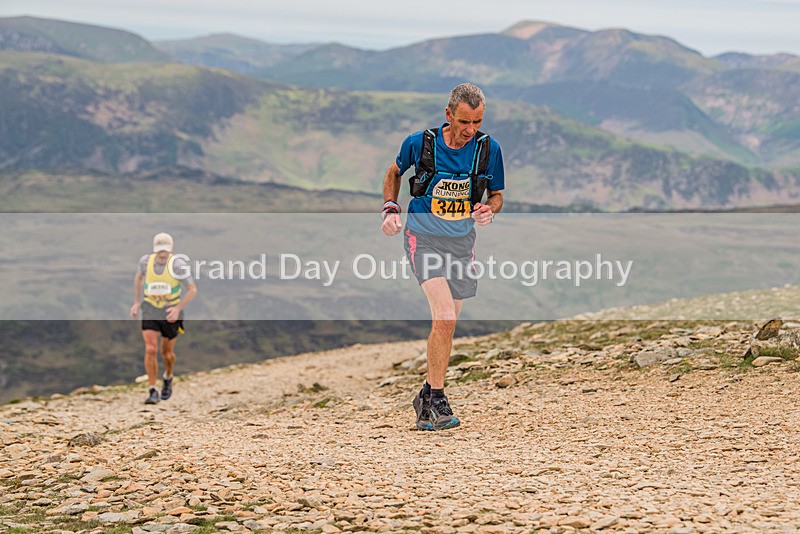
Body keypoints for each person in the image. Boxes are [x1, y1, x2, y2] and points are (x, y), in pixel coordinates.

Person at [381, 83, 505, 431]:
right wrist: (391, 206)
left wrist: (489, 209)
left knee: (446, 326)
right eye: (464, 122)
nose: (470, 130)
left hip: (462, 243)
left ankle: (425, 397)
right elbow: (393, 172)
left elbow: (496, 195)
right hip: (423, 238)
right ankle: (438, 398)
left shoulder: (488, 149)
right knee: (446, 317)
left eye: (477, 122)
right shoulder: (419, 143)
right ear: (448, 114)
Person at [129, 233, 197, 404]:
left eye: (165, 250)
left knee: (167, 353)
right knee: (150, 349)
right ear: (154, 249)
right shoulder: (145, 262)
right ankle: (152, 390)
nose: (162, 254)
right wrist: (137, 302)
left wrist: (177, 309)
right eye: (159, 250)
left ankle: (168, 376)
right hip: (150, 308)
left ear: (170, 250)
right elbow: (138, 277)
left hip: (170, 312)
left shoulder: (178, 265)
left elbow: (192, 289)